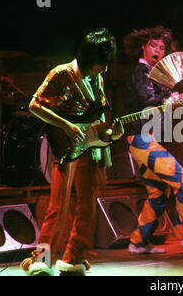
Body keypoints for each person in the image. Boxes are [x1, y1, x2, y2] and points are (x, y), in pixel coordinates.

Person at [20, 28, 121, 276]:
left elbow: (97, 116)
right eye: (102, 63)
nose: (105, 69)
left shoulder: (97, 78)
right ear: (89, 58)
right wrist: (65, 125)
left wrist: (111, 134)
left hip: (90, 147)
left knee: (87, 204)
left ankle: (74, 257)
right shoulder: (61, 73)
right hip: (66, 145)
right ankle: (41, 259)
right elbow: (35, 105)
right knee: (59, 205)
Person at [123, 26, 183, 255]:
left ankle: (138, 242)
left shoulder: (156, 75)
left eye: (162, 47)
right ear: (143, 45)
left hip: (149, 140)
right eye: (153, 45)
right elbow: (149, 101)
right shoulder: (142, 71)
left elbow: (165, 106)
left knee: (158, 195)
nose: (158, 50)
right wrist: (178, 97)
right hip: (142, 139)